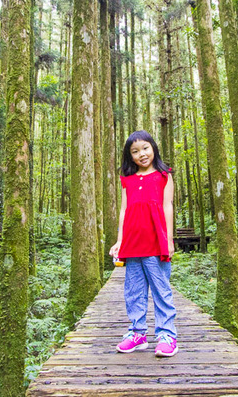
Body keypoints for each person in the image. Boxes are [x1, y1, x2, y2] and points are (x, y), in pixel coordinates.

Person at [108, 130, 178, 357]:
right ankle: (137, 333)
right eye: (135, 151)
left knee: (160, 289)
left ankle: (167, 335)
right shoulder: (127, 180)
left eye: (145, 148)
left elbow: (167, 207)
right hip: (132, 243)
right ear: (130, 156)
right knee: (133, 291)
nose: (142, 154)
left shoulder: (164, 175)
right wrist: (120, 240)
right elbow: (124, 210)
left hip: (156, 242)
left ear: (153, 147)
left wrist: (169, 240)